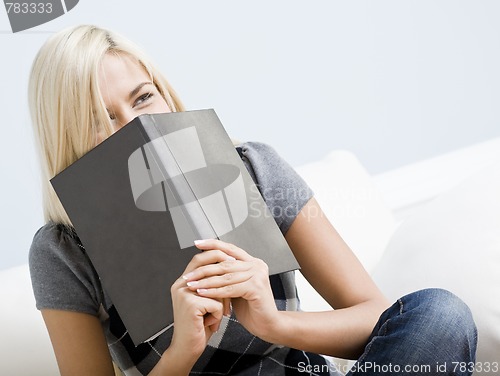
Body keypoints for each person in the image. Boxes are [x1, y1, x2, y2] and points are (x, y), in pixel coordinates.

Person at [28, 24, 477, 376]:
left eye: (143, 98)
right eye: (99, 119)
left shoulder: (255, 169)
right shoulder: (62, 251)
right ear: (66, 136)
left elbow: (374, 318)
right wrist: (183, 350)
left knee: (440, 315)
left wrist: (273, 324)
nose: (131, 127)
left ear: (166, 95)